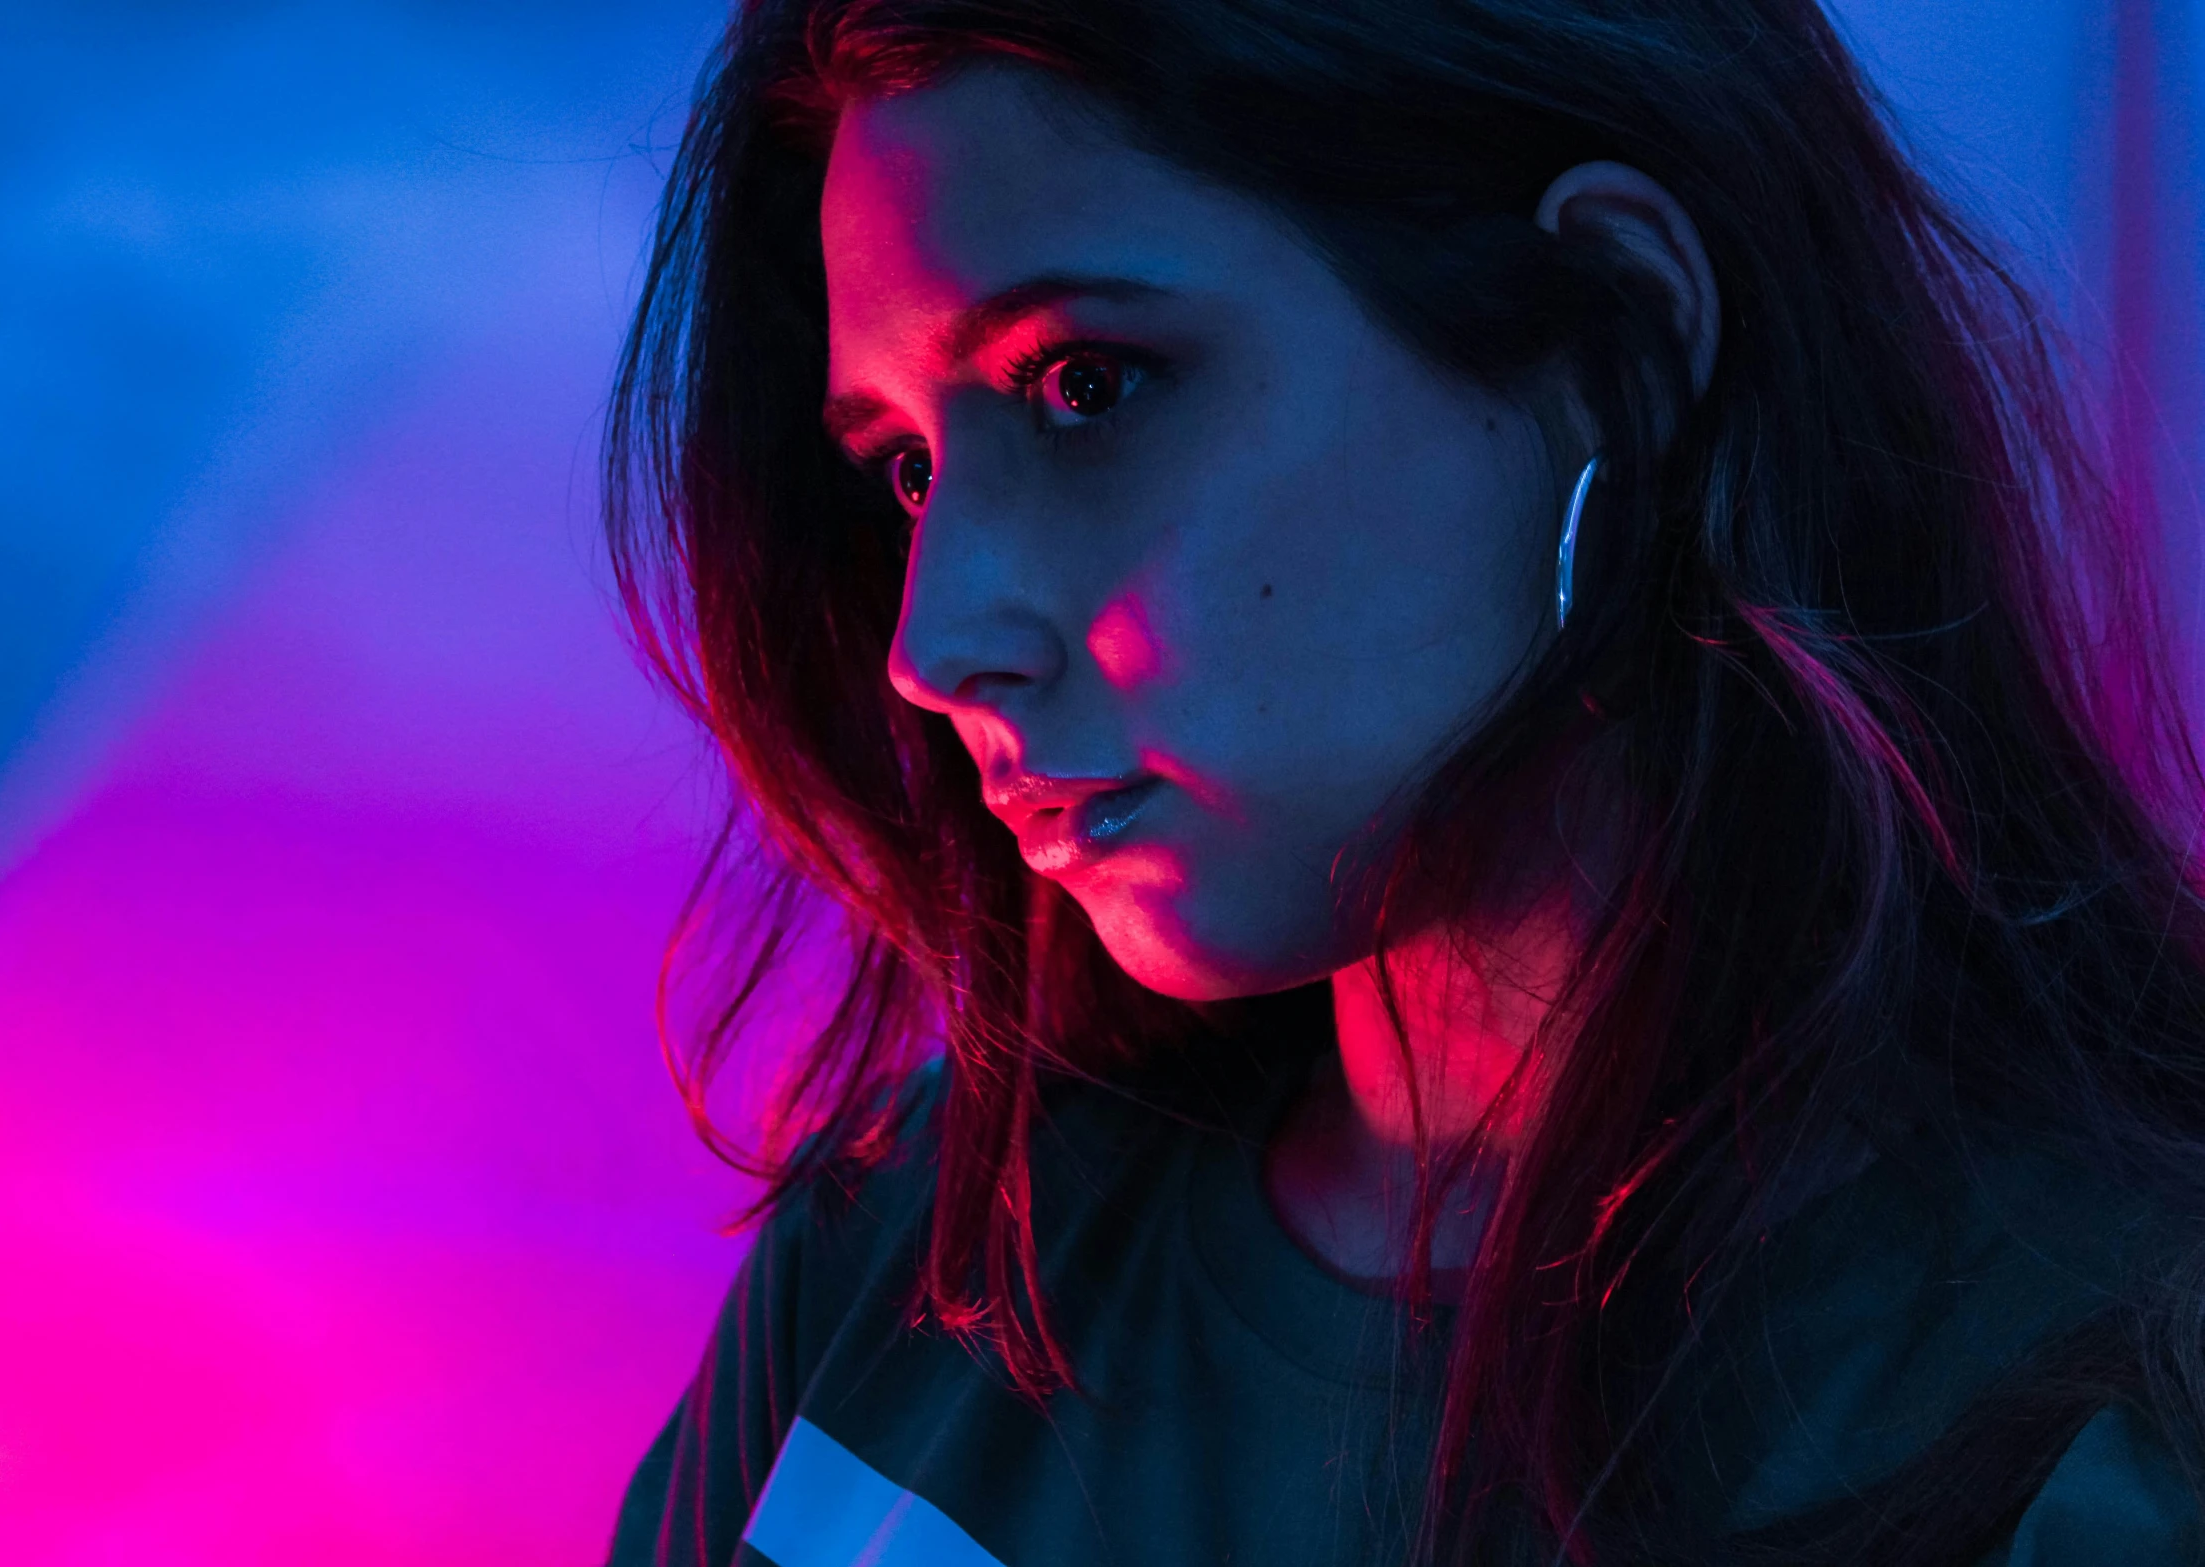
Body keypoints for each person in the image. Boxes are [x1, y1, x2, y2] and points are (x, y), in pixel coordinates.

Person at [601, 1, 2205, 1561]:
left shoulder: (2114, 1423)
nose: (932, 640)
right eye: (907, 466)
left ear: (1614, 340)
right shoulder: (908, 1257)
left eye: (1082, 382)